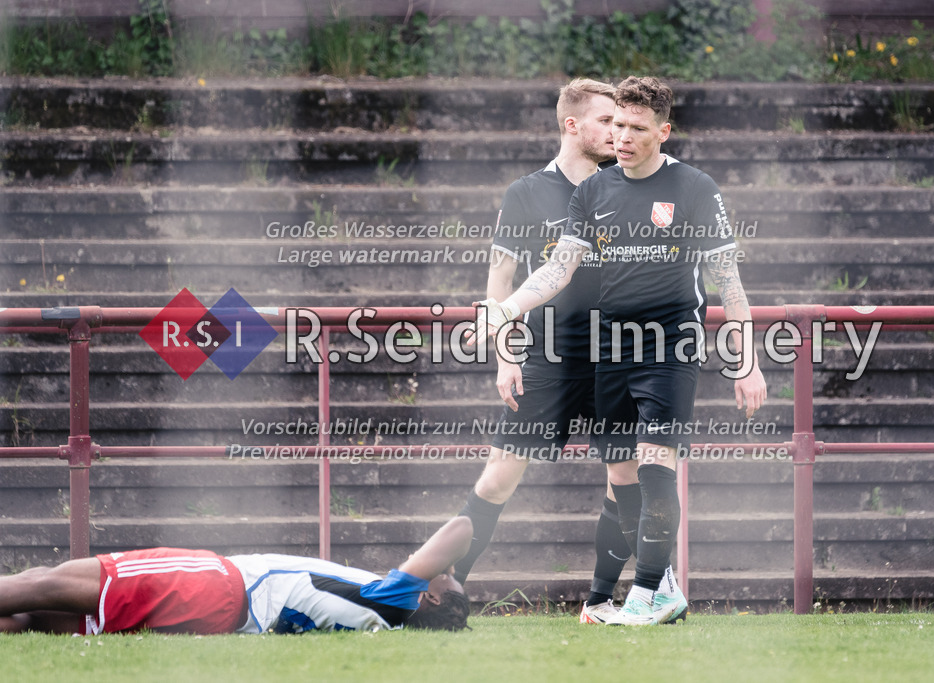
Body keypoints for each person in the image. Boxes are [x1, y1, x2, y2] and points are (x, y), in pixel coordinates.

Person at [469, 76, 767, 626]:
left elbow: (729, 282)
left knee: (655, 462)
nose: (622, 137)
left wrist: (745, 362)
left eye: (635, 128)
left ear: (663, 132)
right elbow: (557, 269)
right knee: (621, 472)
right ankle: (632, 593)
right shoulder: (590, 192)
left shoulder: (695, 187)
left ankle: (649, 592)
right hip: (605, 350)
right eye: (617, 125)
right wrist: (506, 312)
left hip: (670, 345)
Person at [453, 77, 647, 625]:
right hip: (548, 356)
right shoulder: (526, 192)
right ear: (572, 124)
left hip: (615, 356)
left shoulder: (628, 185)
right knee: (498, 476)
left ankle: (601, 601)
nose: (616, 131)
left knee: (624, 475)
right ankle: (445, 587)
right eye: (606, 121)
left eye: (621, 122)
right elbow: (500, 281)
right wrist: (506, 356)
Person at [0, 515, 473, 634]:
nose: (440, 573)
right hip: (225, 614)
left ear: (428, 598)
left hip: (218, 584)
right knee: (35, 619)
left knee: (44, 582)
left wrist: (442, 566)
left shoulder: (395, 599)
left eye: (444, 580)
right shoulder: (385, 621)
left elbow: (463, 527)